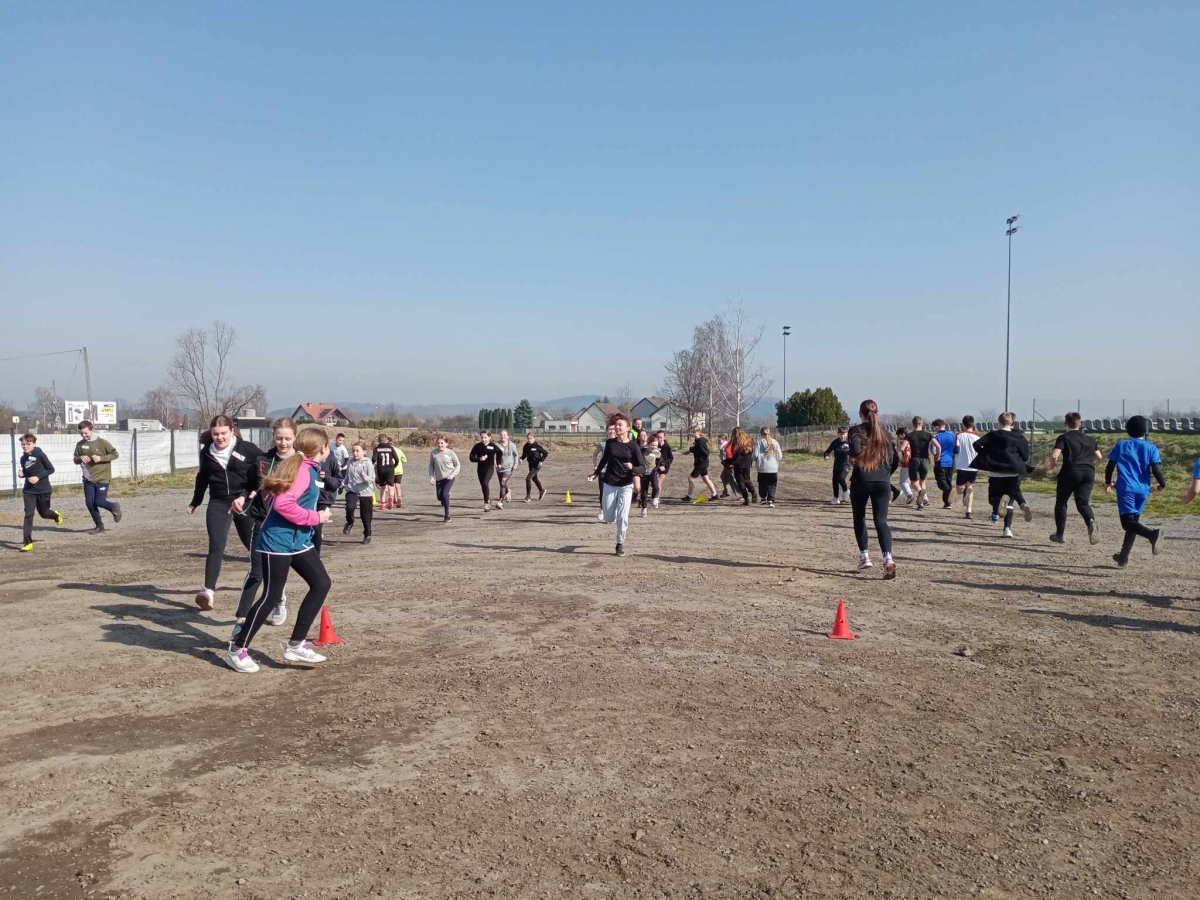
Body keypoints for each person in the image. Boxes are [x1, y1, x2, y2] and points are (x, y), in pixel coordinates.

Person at [224, 427, 334, 674]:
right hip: (277, 542)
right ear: (323, 448)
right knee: (271, 596)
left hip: (297, 541)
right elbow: (283, 505)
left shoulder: (307, 468)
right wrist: (316, 517)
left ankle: (296, 645)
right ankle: (236, 650)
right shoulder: (303, 471)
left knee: (321, 583)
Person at [187, 416, 262, 612]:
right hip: (218, 501)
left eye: (223, 434)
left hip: (244, 502)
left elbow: (265, 465)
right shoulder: (207, 452)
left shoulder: (246, 448)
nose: (219, 438)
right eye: (215, 434)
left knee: (253, 545)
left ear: (231, 431)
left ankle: (273, 584)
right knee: (216, 545)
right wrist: (196, 501)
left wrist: (255, 489)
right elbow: (202, 478)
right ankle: (208, 592)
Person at [237, 418, 297, 628]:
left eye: (287, 438)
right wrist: (241, 496)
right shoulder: (262, 461)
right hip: (263, 521)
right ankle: (241, 620)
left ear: (295, 437)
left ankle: (278, 599)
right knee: (256, 571)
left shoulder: (302, 463)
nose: (283, 443)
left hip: (289, 524)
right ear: (273, 437)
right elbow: (248, 484)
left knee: (278, 570)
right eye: (279, 438)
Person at [1105, 415, 1166, 566]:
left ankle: (1152, 534)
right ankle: (1123, 557)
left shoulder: (1121, 445)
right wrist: (1162, 484)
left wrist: (1108, 482)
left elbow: (1110, 466)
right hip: (1143, 490)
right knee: (1133, 523)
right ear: (1145, 431)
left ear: (1128, 430)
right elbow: (1156, 469)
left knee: (1127, 523)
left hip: (1126, 489)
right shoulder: (1151, 447)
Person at [848, 400, 899, 578]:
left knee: (859, 517)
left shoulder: (855, 431)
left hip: (861, 480)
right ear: (878, 413)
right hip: (882, 482)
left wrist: (856, 460)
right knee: (881, 521)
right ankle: (888, 559)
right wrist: (885, 474)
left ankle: (865, 557)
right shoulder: (886, 433)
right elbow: (895, 459)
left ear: (860, 414)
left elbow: (855, 451)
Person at [588, 413, 646, 556]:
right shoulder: (610, 443)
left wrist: (633, 468)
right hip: (610, 483)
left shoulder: (633, 446)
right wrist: (595, 473)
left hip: (626, 485)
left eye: (620, 425)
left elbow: (642, 467)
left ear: (628, 428)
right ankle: (613, 513)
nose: (617, 427)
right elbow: (604, 460)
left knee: (622, 516)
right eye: (616, 425)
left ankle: (620, 543)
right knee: (609, 518)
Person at [970, 413, 1033, 538]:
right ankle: (1008, 528)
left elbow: (976, 444)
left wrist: (986, 454)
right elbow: (1026, 456)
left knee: (993, 498)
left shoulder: (993, 435)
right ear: (1012, 422)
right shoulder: (1019, 436)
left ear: (999, 422)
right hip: (1013, 471)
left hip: (996, 472)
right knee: (1011, 499)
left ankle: (998, 508)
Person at [1046, 412, 1102, 544]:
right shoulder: (1090, 439)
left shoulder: (1063, 438)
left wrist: (1051, 466)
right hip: (1088, 472)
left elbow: (1054, 455)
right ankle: (1091, 522)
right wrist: (1088, 462)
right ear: (1080, 424)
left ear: (1065, 424)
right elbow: (1099, 456)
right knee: (1083, 503)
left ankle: (1060, 535)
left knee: (1061, 503)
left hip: (1070, 472)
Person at [73, 421, 122, 534]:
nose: (84, 435)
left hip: (102, 477)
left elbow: (115, 454)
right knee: (90, 503)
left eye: (86, 433)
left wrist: (101, 458)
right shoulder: (80, 444)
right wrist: (80, 458)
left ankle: (113, 506)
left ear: (92, 430)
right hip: (88, 478)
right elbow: (75, 459)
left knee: (99, 501)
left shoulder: (102, 443)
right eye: (81, 433)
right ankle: (99, 526)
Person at [18, 434, 62, 552]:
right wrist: (23, 474)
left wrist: (38, 477)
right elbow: (28, 472)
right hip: (29, 491)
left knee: (44, 513)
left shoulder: (40, 455)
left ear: (34, 444)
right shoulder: (23, 458)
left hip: (43, 490)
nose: (25, 446)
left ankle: (56, 515)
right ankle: (28, 542)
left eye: (28, 444)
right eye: (23, 444)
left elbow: (50, 469)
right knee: (28, 514)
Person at [313, 431, 344, 554]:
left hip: (325, 499)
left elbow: (338, 481)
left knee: (317, 527)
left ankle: (316, 556)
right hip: (311, 498)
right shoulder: (308, 458)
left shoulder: (331, 459)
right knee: (310, 528)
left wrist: (327, 478)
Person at [342, 442, 376, 543]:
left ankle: (367, 534)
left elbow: (371, 479)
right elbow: (347, 476)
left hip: (365, 491)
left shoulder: (368, 462)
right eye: (353, 451)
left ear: (364, 452)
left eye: (357, 451)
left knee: (366, 515)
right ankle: (350, 522)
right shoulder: (350, 462)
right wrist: (343, 482)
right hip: (352, 489)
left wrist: (364, 476)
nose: (355, 453)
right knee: (350, 507)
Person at [429, 435, 461, 523]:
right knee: (439, 497)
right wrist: (431, 476)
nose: (440, 445)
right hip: (439, 478)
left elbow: (458, 465)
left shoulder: (451, 453)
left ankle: (447, 516)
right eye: (438, 443)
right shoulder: (434, 453)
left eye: (442, 443)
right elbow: (431, 466)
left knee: (444, 494)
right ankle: (445, 496)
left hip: (449, 477)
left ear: (447, 444)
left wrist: (453, 475)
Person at [954, 416, 980, 519]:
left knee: (959, 489)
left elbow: (956, 449)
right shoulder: (977, 437)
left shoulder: (959, 435)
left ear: (963, 424)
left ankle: (964, 493)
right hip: (973, 466)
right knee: (970, 487)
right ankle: (968, 510)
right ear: (973, 424)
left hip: (962, 465)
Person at [682, 426, 718, 501]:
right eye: (690, 432)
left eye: (693, 432)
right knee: (706, 479)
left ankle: (689, 496)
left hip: (701, 464)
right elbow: (693, 450)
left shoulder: (700, 441)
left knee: (690, 478)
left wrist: (700, 460)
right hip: (701, 463)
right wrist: (691, 447)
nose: (691, 433)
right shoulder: (697, 440)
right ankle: (715, 494)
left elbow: (706, 453)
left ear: (698, 432)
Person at [469, 430, 501, 511]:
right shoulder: (477, 446)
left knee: (485, 483)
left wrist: (498, 462)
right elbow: (471, 457)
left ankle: (486, 504)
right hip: (480, 469)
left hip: (490, 468)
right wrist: (479, 459)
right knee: (483, 486)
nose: (484, 439)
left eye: (485, 437)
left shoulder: (493, 446)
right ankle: (488, 499)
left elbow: (499, 453)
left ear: (489, 437)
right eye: (482, 438)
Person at [907, 417, 934, 508]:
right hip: (925, 459)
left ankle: (920, 492)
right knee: (922, 481)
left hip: (914, 459)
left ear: (913, 424)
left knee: (913, 482)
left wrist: (905, 452)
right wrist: (937, 454)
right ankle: (923, 501)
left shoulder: (910, 435)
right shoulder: (928, 434)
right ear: (922, 424)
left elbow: (902, 447)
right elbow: (937, 445)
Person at [725, 427, 756, 505]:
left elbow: (737, 457)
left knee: (740, 482)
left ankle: (746, 499)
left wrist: (728, 462)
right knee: (747, 479)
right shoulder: (749, 440)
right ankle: (752, 490)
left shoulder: (737, 442)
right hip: (747, 463)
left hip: (738, 465)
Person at [931, 420, 957, 509]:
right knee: (948, 481)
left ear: (937, 426)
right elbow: (956, 448)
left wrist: (935, 455)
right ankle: (947, 503)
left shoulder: (936, 437)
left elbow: (933, 450)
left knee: (941, 482)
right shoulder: (953, 435)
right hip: (950, 461)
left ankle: (950, 491)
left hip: (940, 462)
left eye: (934, 427)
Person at [754, 427, 782, 507]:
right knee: (772, 484)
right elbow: (780, 456)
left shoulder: (758, 442)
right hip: (773, 467)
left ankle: (763, 498)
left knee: (762, 483)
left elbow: (755, 455)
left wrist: (755, 459)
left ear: (760, 434)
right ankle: (770, 500)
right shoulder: (775, 442)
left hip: (762, 467)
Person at [372, 435, 402, 510]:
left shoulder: (377, 449)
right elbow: (397, 459)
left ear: (379, 441)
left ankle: (383, 504)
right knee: (391, 486)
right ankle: (391, 498)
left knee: (382, 487)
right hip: (390, 469)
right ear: (387, 441)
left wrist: (372, 464)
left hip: (381, 469)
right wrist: (394, 466)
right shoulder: (391, 448)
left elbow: (374, 459)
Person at [823, 427, 851, 505]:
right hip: (837, 465)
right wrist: (826, 456)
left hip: (846, 464)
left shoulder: (850, 442)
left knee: (841, 478)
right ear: (838, 434)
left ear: (847, 434)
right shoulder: (835, 442)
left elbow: (856, 450)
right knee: (835, 481)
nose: (842, 436)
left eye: (844, 434)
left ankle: (846, 491)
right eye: (841, 434)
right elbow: (827, 451)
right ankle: (836, 498)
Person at [638, 435, 662, 517]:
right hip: (644, 474)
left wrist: (660, 466)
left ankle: (653, 498)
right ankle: (644, 508)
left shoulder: (657, 452)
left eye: (656, 445)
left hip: (652, 473)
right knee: (644, 492)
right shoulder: (642, 451)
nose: (654, 447)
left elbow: (660, 461)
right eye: (652, 445)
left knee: (656, 487)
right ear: (648, 444)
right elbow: (637, 460)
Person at [520, 430, 548, 502]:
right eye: (528, 438)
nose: (529, 440)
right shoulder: (526, 446)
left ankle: (528, 496)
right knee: (534, 479)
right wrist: (521, 458)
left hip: (537, 465)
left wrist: (541, 461)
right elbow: (524, 454)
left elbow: (545, 453)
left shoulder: (537, 446)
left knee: (528, 479)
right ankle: (541, 490)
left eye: (531, 438)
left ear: (534, 438)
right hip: (530, 464)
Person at [495, 429, 519, 508]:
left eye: (504, 435)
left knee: (502, 483)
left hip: (508, 468)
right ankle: (508, 490)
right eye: (501, 435)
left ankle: (500, 502)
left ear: (508, 436)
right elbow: (494, 456)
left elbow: (516, 455)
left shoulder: (512, 445)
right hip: (499, 468)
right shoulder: (496, 445)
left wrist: (515, 464)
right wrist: (495, 464)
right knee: (502, 484)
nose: (503, 436)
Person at [895, 427, 914, 504]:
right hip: (914, 462)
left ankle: (909, 495)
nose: (898, 437)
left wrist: (902, 461)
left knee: (903, 482)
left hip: (907, 463)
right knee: (913, 481)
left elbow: (907, 453)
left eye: (899, 435)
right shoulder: (912, 440)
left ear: (903, 434)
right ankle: (925, 498)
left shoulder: (903, 442)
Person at [654, 430, 674, 499]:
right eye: (658, 437)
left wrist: (665, 464)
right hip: (655, 466)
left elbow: (671, 458)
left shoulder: (667, 446)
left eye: (661, 437)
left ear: (664, 437)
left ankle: (657, 498)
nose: (659, 439)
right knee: (654, 483)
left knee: (658, 484)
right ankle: (654, 495)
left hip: (664, 467)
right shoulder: (655, 445)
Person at [717, 433, 735, 499]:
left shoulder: (727, 446)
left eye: (719, 440)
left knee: (733, 480)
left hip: (730, 465)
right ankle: (727, 491)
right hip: (726, 465)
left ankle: (740, 495)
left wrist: (727, 463)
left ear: (724, 439)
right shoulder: (722, 446)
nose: (718, 441)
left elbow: (730, 456)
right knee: (723, 477)